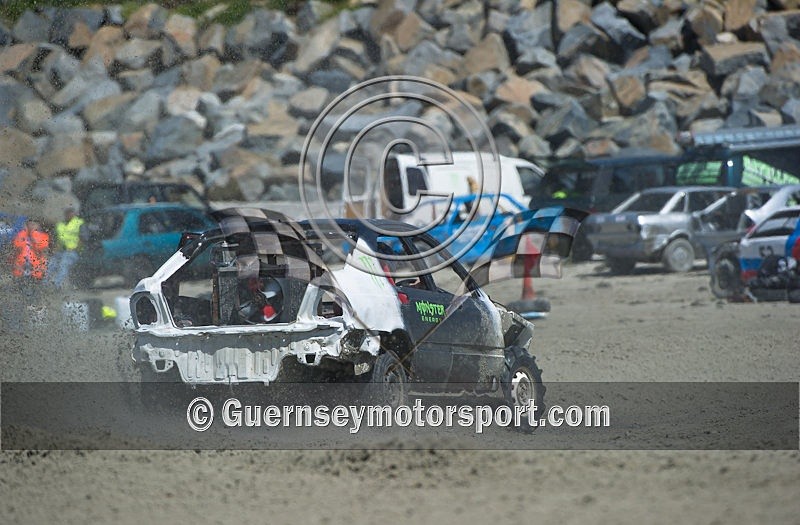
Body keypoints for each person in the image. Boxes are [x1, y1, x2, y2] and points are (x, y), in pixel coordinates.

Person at [50, 208, 84, 289]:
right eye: (68, 213)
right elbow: (55, 238)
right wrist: (54, 249)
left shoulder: (79, 223)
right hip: (60, 251)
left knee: (63, 265)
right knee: (51, 265)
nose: (70, 215)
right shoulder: (60, 224)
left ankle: (56, 286)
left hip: (72, 251)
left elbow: (83, 238)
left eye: (71, 213)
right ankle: (44, 285)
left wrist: (77, 248)